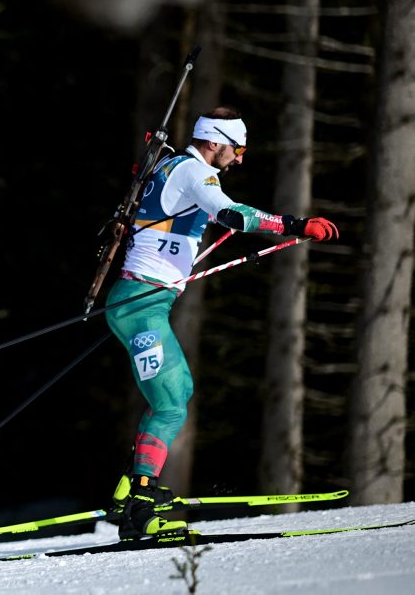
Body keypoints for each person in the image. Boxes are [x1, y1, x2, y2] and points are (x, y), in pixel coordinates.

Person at [105, 107, 339, 540]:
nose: (240, 157)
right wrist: (295, 225)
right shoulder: (195, 172)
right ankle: (140, 508)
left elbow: (206, 216)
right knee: (171, 403)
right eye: (238, 148)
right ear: (215, 142)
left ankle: (129, 488)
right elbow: (232, 214)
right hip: (140, 305)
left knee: (176, 393)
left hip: (144, 301)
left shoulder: (177, 168)